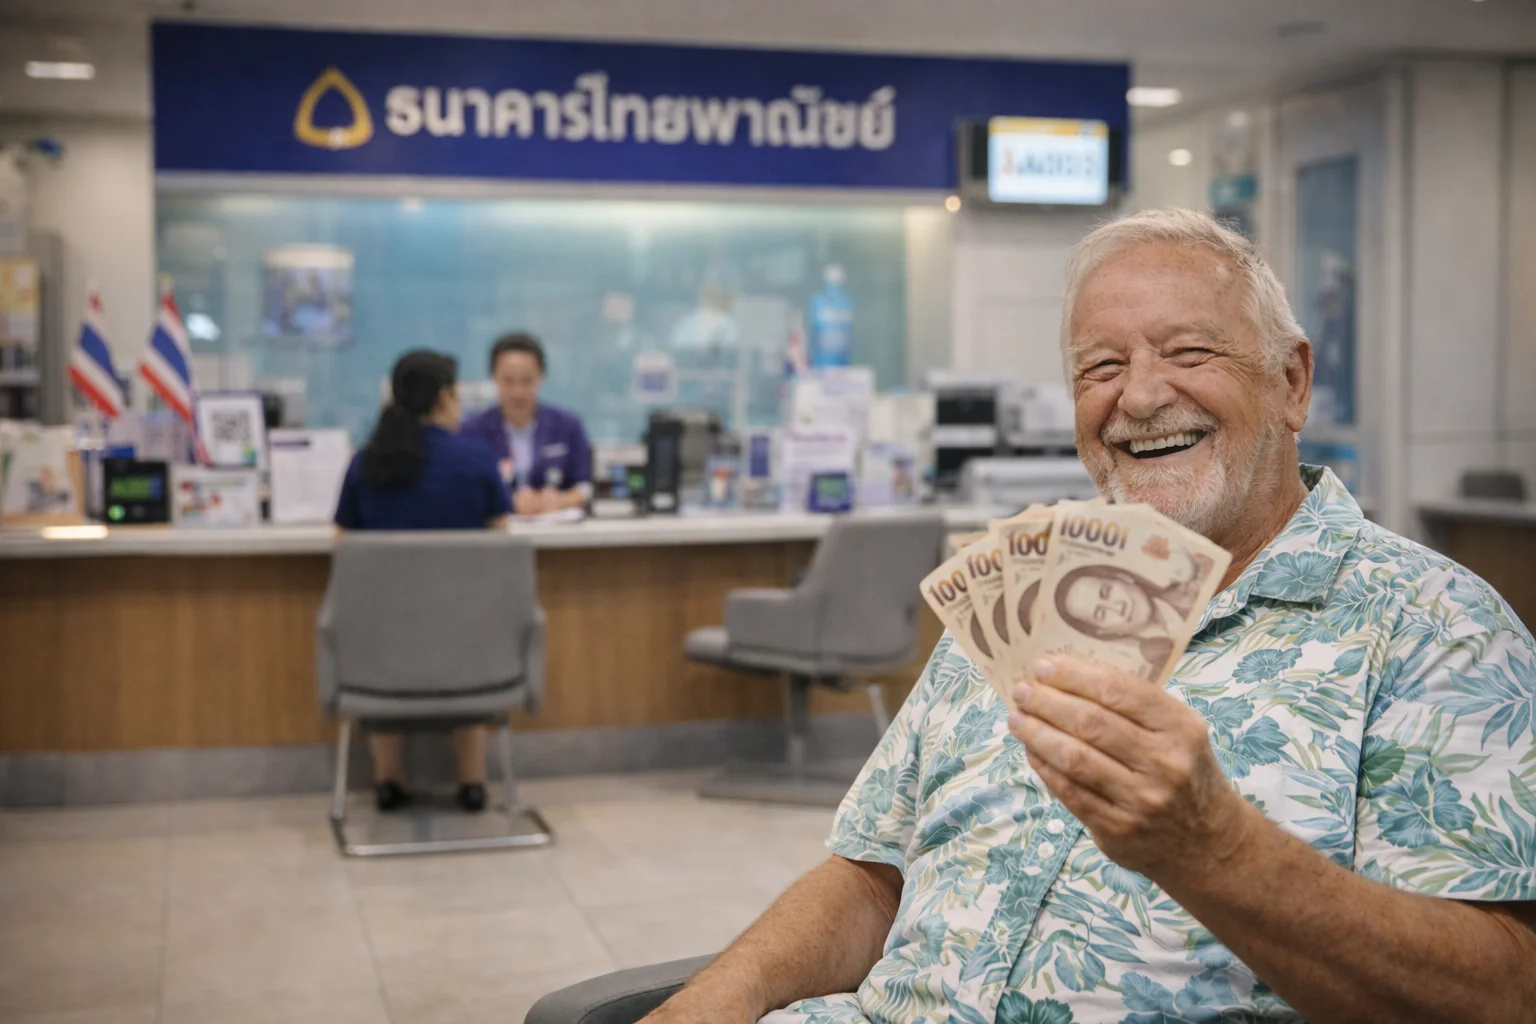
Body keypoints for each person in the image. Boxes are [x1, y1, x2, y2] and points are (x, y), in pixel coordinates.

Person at [641, 209, 1536, 1024]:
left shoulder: (1435, 630)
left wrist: (1214, 849)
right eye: (1100, 367)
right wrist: (712, 1001)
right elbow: (874, 879)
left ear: (1292, 382)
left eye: (1188, 353)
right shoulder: (1028, 603)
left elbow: (1503, 992)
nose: (1139, 398)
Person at [333, 349, 511, 814]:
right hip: (471, 649)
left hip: (382, 652)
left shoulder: (366, 464)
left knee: (382, 630)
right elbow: (501, 551)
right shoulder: (476, 460)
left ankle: (389, 778)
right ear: (447, 397)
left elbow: (344, 552)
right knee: (470, 626)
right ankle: (472, 781)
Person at [460, 332, 592, 516]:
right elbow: (464, 491)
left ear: (541, 377)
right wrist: (507, 502)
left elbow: (584, 486)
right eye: (508, 381)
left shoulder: (568, 426)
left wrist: (560, 500)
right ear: (494, 378)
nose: (518, 392)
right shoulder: (471, 432)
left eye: (527, 381)